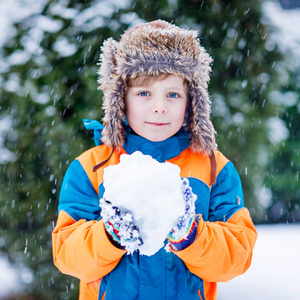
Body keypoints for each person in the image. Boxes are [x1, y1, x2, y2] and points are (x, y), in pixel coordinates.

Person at [52, 20, 257, 300]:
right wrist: (109, 236)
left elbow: (237, 255)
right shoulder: (91, 168)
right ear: (121, 99)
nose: (159, 107)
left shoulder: (215, 169)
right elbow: (67, 255)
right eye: (144, 93)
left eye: (173, 94)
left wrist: (194, 237)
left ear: (192, 102)